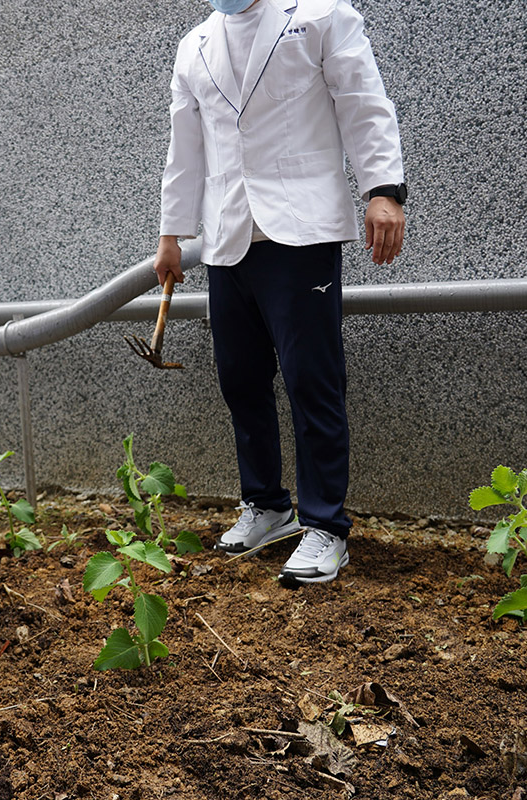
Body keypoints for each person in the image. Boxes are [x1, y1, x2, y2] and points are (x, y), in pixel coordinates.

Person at [155, 0, 406, 586]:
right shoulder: (194, 45)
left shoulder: (320, 15)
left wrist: (384, 188)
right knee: (239, 379)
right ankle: (267, 505)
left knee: (310, 379)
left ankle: (325, 526)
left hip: (300, 231)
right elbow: (185, 145)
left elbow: (363, 102)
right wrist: (171, 234)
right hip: (226, 237)